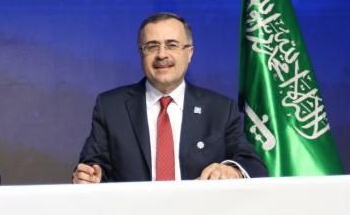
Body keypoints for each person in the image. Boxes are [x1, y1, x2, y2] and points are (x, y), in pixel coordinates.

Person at [73, 12, 267, 184]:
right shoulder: (111, 107)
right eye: (151, 46)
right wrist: (88, 177)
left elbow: (253, 165)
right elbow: (92, 167)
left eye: (172, 45)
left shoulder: (220, 109)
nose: (162, 55)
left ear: (189, 53)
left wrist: (232, 170)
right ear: (141, 53)